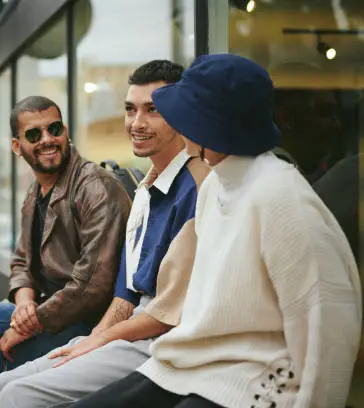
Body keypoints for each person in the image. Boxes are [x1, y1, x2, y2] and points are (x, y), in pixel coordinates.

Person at [71, 54, 362, 408]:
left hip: (258, 379)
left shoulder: (282, 197)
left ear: (213, 126)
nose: (179, 125)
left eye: (186, 116)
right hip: (192, 364)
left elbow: (327, 322)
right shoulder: (216, 184)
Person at [0, 60, 209, 408]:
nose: (137, 123)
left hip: (162, 344)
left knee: (17, 394)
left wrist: (94, 341)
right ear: (17, 146)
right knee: (3, 384)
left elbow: (165, 314)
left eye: (153, 110)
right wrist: (94, 339)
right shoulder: (146, 190)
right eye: (130, 110)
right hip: (124, 333)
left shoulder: (195, 188)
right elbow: (126, 295)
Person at [0, 96, 132, 408]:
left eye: (54, 129)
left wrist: (30, 324)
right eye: (34, 135)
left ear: (65, 131)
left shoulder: (94, 186)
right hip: (48, 313)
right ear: (16, 146)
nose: (47, 140)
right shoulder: (35, 190)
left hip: (89, 323)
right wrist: (23, 307)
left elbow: (92, 286)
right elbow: (22, 261)